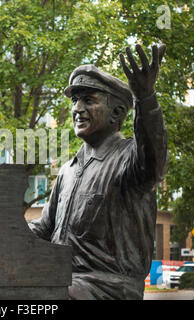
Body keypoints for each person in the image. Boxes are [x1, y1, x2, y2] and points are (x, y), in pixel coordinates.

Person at [28, 44, 168, 300]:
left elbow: (154, 160)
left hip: (110, 287)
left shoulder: (130, 159)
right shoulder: (67, 172)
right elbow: (45, 228)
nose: (77, 108)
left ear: (116, 113)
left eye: (89, 100)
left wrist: (145, 98)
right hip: (62, 280)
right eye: (75, 100)